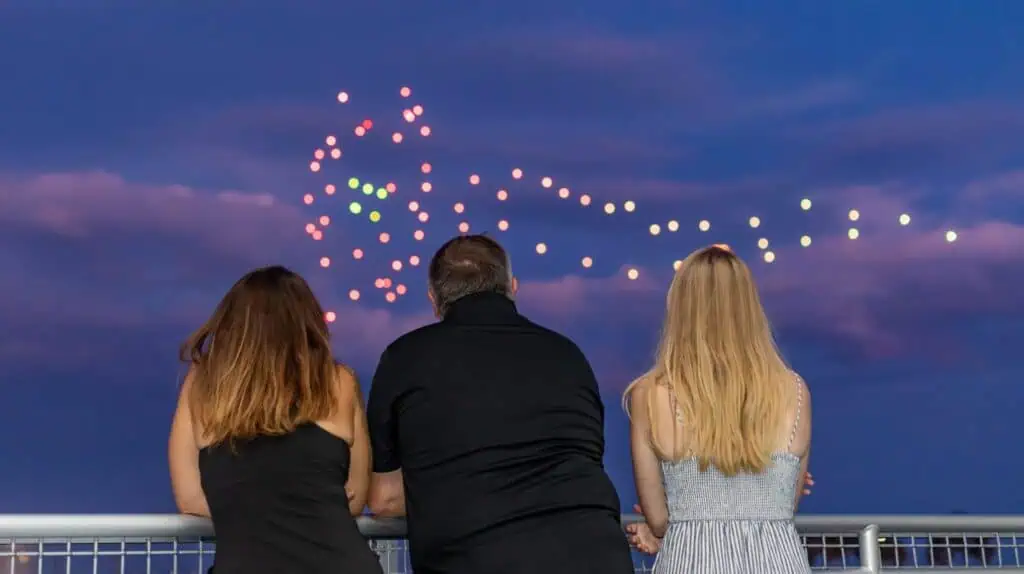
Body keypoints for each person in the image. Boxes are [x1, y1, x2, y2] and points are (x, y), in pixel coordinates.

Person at [365, 234, 634, 574]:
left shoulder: (405, 359)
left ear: (434, 299)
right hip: (597, 556)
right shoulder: (567, 355)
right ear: (513, 287)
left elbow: (385, 500)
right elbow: (583, 460)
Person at [168, 265, 383, 574]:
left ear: (232, 324)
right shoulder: (339, 382)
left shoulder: (202, 385)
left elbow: (190, 498)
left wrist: (250, 504)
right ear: (306, 323)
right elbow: (354, 498)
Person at [622, 245, 813, 573]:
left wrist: (671, 529)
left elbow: (657, 518)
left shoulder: (649, 394)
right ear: (750, 306)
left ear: (680, 306)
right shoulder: (794, 390)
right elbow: (785, 505)